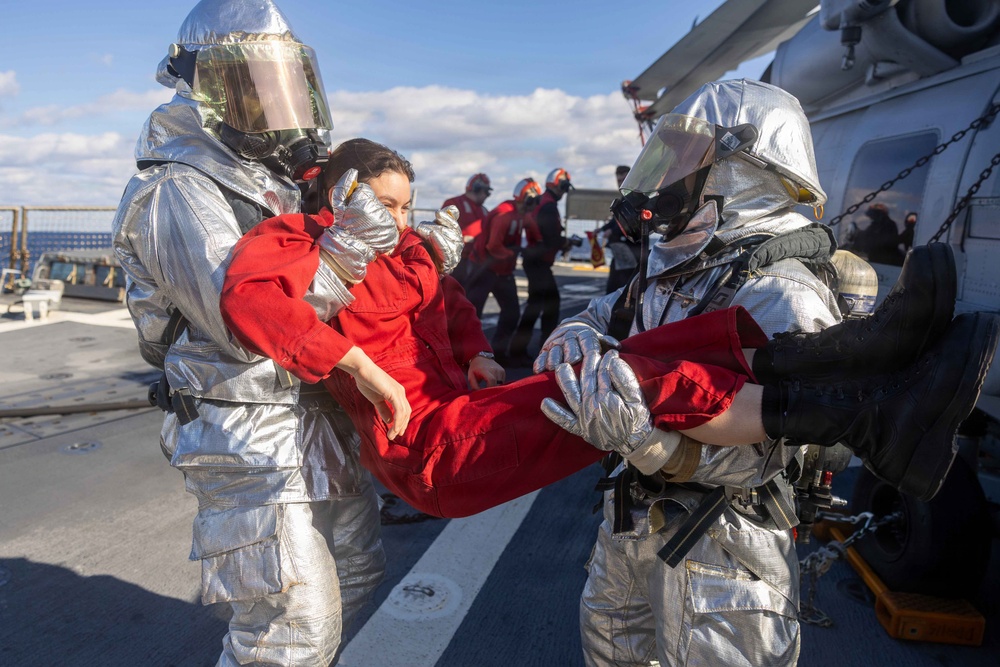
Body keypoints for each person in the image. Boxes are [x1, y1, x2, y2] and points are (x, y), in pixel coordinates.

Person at [220, 138, 997, 530]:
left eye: (403, 205)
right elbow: (250, 300)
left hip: (464, 414)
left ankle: (865, 356)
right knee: (629, 382)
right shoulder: (300, 241)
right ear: (340, 195)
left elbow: (447, 299)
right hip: (428, 450)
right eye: (385, 205)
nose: (398, 222)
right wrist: (358, 364)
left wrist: (478, 351)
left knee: (649, 352)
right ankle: (869, 419)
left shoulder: (409, 251)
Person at [532, 79, 931, 666]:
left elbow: (776, 440)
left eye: (688, 157)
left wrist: (647, 441)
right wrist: (580, 331)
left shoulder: (782, 292)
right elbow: (606, 312)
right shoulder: (682, 261)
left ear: (741, 170)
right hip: (634, 524)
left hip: (724, 552)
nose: (667, 172)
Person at [110, 3, 457, 665]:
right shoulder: (176, 190)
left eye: (287, 84)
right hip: (243, 429)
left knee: (352, 577)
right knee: (291, 629)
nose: (279, 103)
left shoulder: (275, 185)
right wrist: (349, 247)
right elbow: (242, 322)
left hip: (314, 418)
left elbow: (340, 300)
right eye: (256, 84)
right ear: (209, 90)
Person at [464, 178, 541, 364]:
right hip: (484, 269)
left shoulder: (522, 214)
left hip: (503, 271)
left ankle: (497, 352)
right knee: (472, 314)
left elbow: (534, 231)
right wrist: (515, 252)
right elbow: (493, 246)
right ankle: (467, 354)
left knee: (511, 313)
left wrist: (536, 243)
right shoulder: (504, 215)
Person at [507, 168, 574, 367]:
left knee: (546, 304)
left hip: (535, 260)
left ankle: (537, 347)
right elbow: (551, 237)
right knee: (540, 306)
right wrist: (565, 243)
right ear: (561, 186)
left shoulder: (542, 201)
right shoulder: (549, 206)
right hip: (538, 262)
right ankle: (529, 350)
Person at [599, 165, 643, 294]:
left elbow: (632, 222)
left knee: (622, 288)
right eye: (619, 180)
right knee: (615, 287)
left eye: (624, 179)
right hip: (620, 251)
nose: (621, 183)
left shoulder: (635, 198)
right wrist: (602, 229)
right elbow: (616, 220)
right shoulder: (625, 198)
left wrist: (612, 231)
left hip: (630, 250)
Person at [442, 172, 492, 286]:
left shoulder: (484, 211)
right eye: (487, 192)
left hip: (477, 262)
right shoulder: (454, 204)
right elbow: (443, 231)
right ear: (478, 189)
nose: (487, 196)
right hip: (457, 262)